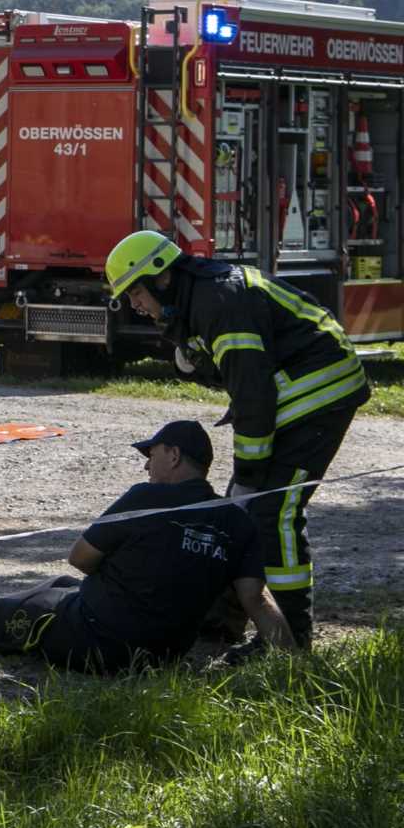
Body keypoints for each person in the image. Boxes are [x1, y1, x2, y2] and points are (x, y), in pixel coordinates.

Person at [105, 230, 368, 649]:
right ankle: (222, 625)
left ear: (161, 277)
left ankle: (290, 640)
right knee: (240, 517)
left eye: (136, 292)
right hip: (294, 392)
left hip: (321, 393)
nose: (134, 305)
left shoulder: (218, 301)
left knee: (274, 511)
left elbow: (253, 397)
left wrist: (248, 473)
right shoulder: (199, 297)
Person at [0, 420, 296, 670]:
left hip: (96, 639)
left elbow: (81, 558)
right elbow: (256, 600)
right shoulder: (235, 521)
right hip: (163, 654)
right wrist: (292, 662)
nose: (146, 464)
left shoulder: (144, 499)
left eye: (152, 453)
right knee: (54, 586)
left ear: (174, 455)